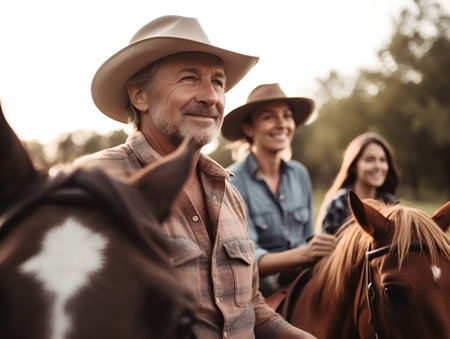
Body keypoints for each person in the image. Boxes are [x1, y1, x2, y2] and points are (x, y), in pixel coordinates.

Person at [75, 15, 315, 339]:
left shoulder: (230, 195)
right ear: (139, 95)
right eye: (189, 78)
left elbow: (251, 306)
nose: (211, 97)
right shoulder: (97, 182)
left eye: (218, 83)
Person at [222, 83, 335, 297]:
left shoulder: (299, 174)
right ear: (248, 129)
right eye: (268, 117)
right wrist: (305, 254)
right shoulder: (233, 182)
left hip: (304, 283)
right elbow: (248, 258)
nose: (282, 124)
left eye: (287, 115)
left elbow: (307, 237)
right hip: (259, 294)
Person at [316, 132, 400, 235]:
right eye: (370, 160)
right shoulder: (339, 204)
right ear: (354, 166)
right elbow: (326, 247)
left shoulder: (391, 203)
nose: (378, 166)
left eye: (382, 160)